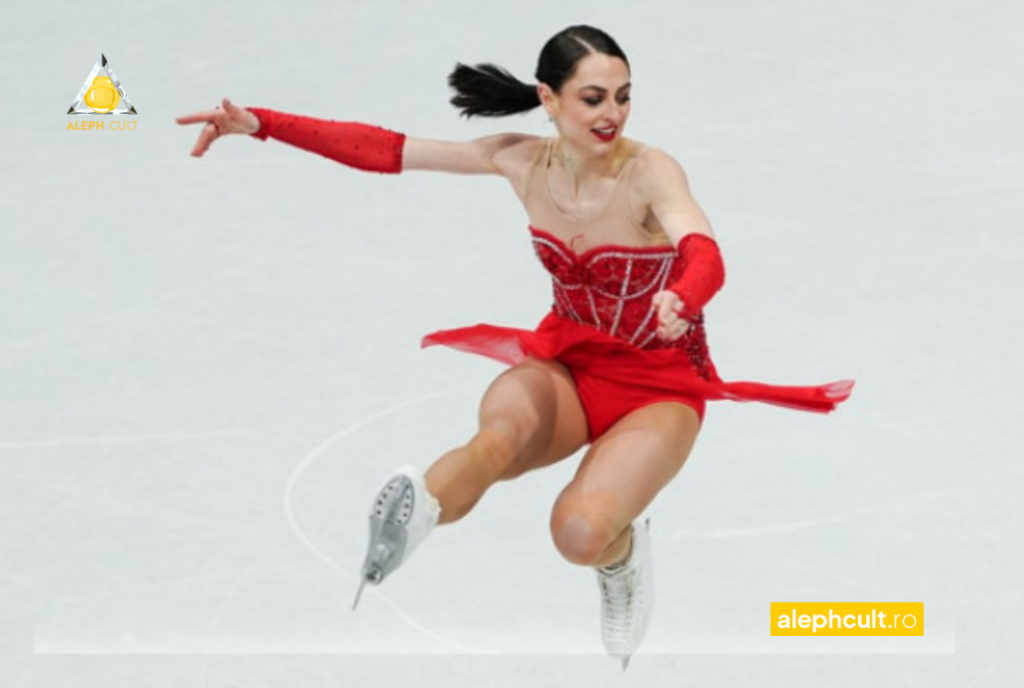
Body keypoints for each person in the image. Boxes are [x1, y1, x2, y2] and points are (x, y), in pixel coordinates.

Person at [176, 25, 854, 668]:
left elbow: (703, 248)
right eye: (593, 98)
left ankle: (621, 558)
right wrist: (262, 123)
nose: (611, 113)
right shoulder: (517, 159)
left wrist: (686, 294)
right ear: (549, 100)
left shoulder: (650, 171)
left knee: (578, 534)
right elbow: (387, 150)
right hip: (570, 363)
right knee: (496, 437)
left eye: (622, 96)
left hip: (661, 384)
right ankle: (412, 517)